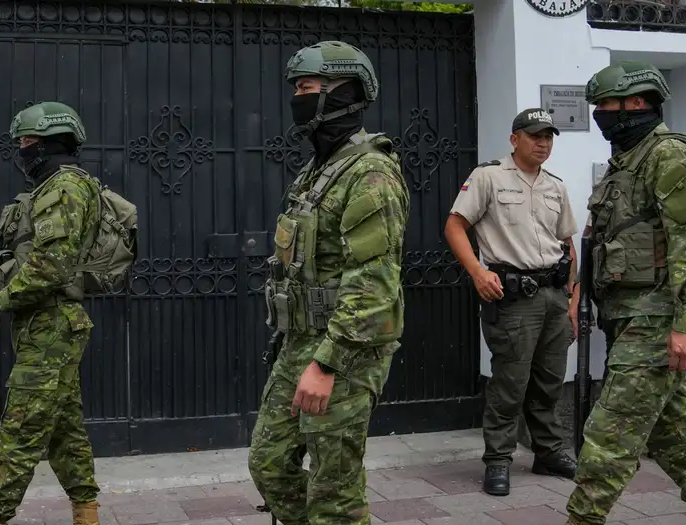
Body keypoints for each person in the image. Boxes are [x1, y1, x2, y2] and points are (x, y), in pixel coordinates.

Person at [565, 61, 686, 525]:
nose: (599, 114)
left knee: (608, 433)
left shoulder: (670, 156)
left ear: (636, 103)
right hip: (627, 317)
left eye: (605, 105)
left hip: (655, 319)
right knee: (676, 432)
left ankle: (582, 518)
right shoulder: (627, 163)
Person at [248, 40, 410, 525]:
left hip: (346, 351)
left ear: (347, 92)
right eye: (297, 87)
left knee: (333, 488)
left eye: (309, 87)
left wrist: (328, 362)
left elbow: (374, 283)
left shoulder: (371, 173)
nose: (299, 96)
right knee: (270, 464)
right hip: (301, 341)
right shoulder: (316, 171)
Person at [0, 101, 105, 525]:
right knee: (64, 429)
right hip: (45, 325)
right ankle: (87, 513)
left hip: (52, 324)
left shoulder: (62, 188)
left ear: (51, 143)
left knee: (20, 427)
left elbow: (51, 266)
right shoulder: (54, 187)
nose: (22, 150)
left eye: (28, 142)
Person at [445, 108, 579, 496]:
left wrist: (573, 298)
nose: (543, 143)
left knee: (551, 381)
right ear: (514, 139)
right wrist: (477, 271)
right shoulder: (488, 177)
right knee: (510, 384)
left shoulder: (555, 185)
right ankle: (498, 460)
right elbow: (455, 225)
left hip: (554, 295)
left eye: (549, 137)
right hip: (514, 298)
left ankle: (548, 452)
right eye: (535, 136)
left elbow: (567, 244)